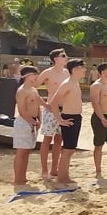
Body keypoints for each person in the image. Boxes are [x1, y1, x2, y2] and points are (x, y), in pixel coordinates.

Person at [47, 59, 86, 184]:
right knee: (68, 149)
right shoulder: (67, 84)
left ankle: (64, 175)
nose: (85, 70)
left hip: (76, 117)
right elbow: (53, 102)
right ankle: (62, 177)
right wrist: (59, 120)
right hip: (69, 117)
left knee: (70, 149)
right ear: (75, 69)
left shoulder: (75, 83)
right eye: (82, 67)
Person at [37, 48, 69, 181]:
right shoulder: (47, 73)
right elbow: (32, 87)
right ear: (56, 59)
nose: (66, 57)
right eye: (63, 55)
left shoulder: (67, 72)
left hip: (64, 108)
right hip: (51, 109)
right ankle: (44, 170)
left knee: (59, 139)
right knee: (47, 139)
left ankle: (54, 169)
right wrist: (44, 104)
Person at [12, 66, 41, 186]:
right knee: (21, 152)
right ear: (27, 76)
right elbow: (22, 110)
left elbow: (38, 106)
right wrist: (32, 122)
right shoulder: (22, 90)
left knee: (27, 151)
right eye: (34, 75)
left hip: (33, 122)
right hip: (24, 123)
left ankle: (23, 177)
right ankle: (17, 178)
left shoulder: (34, 90)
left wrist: (39, 120)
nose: (36, 77)